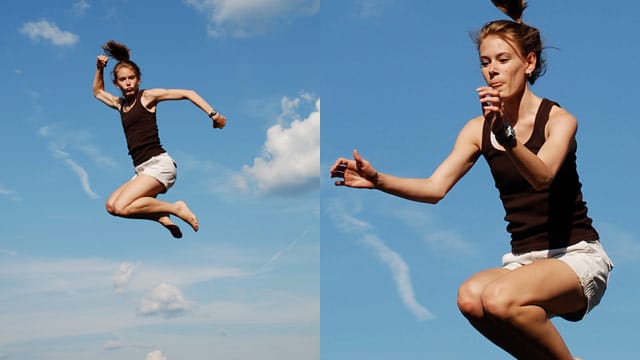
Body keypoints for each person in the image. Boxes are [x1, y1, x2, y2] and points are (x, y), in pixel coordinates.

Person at [330, 1, 613, 359]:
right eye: (485, 62)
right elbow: (435, 189)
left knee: (497, 298)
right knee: (470, 298)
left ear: (528, 63)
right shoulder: (477, 130)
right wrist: (378, 179)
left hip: (576, 257)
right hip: (525, 262)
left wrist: (507, 137)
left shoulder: (559, 119)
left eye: (503, 60)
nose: (492, 71)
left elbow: (541, 176)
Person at [93, 40, 227, 239]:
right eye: (123, 79)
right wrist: (99, 69)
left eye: (131, 78)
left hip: (159, 165)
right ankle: (159, 216)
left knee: (122, 206)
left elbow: (187, 93)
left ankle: (175, 208)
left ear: (138, 80)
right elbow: (97, 92)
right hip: (142, 170)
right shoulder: (120, 104)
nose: (128, 82)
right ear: (117, 83)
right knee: (111, 206)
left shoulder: (147, 97)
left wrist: (213, 114)